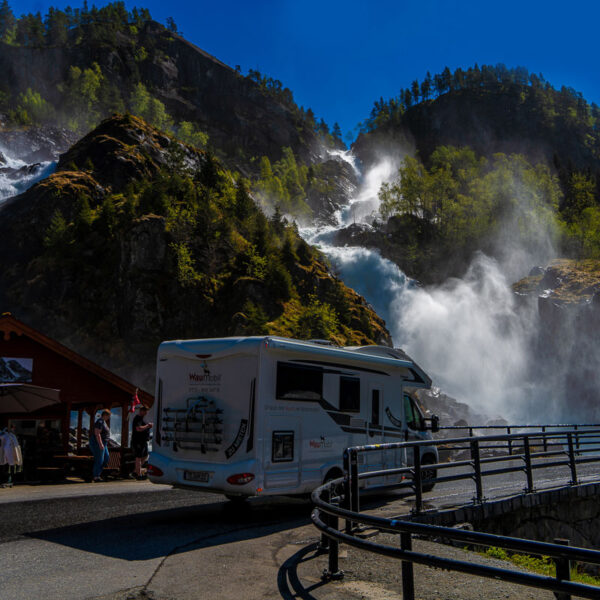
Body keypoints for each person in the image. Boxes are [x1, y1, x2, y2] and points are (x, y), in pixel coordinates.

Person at [131, 406, 152, 480]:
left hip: (143, 441)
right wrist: (148, 426)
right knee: (138, 457)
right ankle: (138, 474)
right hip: (138, 441)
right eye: (145, 411)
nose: (146, 413)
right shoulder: (138, 418)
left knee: (145, 456)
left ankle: (135, 471)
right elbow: (138, 429)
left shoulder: (141, 418)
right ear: (142, 411)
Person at [89, 409, 111, 482]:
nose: (109, 418)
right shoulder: (100, 421)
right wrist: (100, 444)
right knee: (99, 459)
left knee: (106, 458)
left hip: (104, 443)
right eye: (108, 416)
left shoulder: (104, 422)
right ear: (105, 415)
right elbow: (97, 433)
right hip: (98, 443)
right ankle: (96, 476)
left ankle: (98, 473)